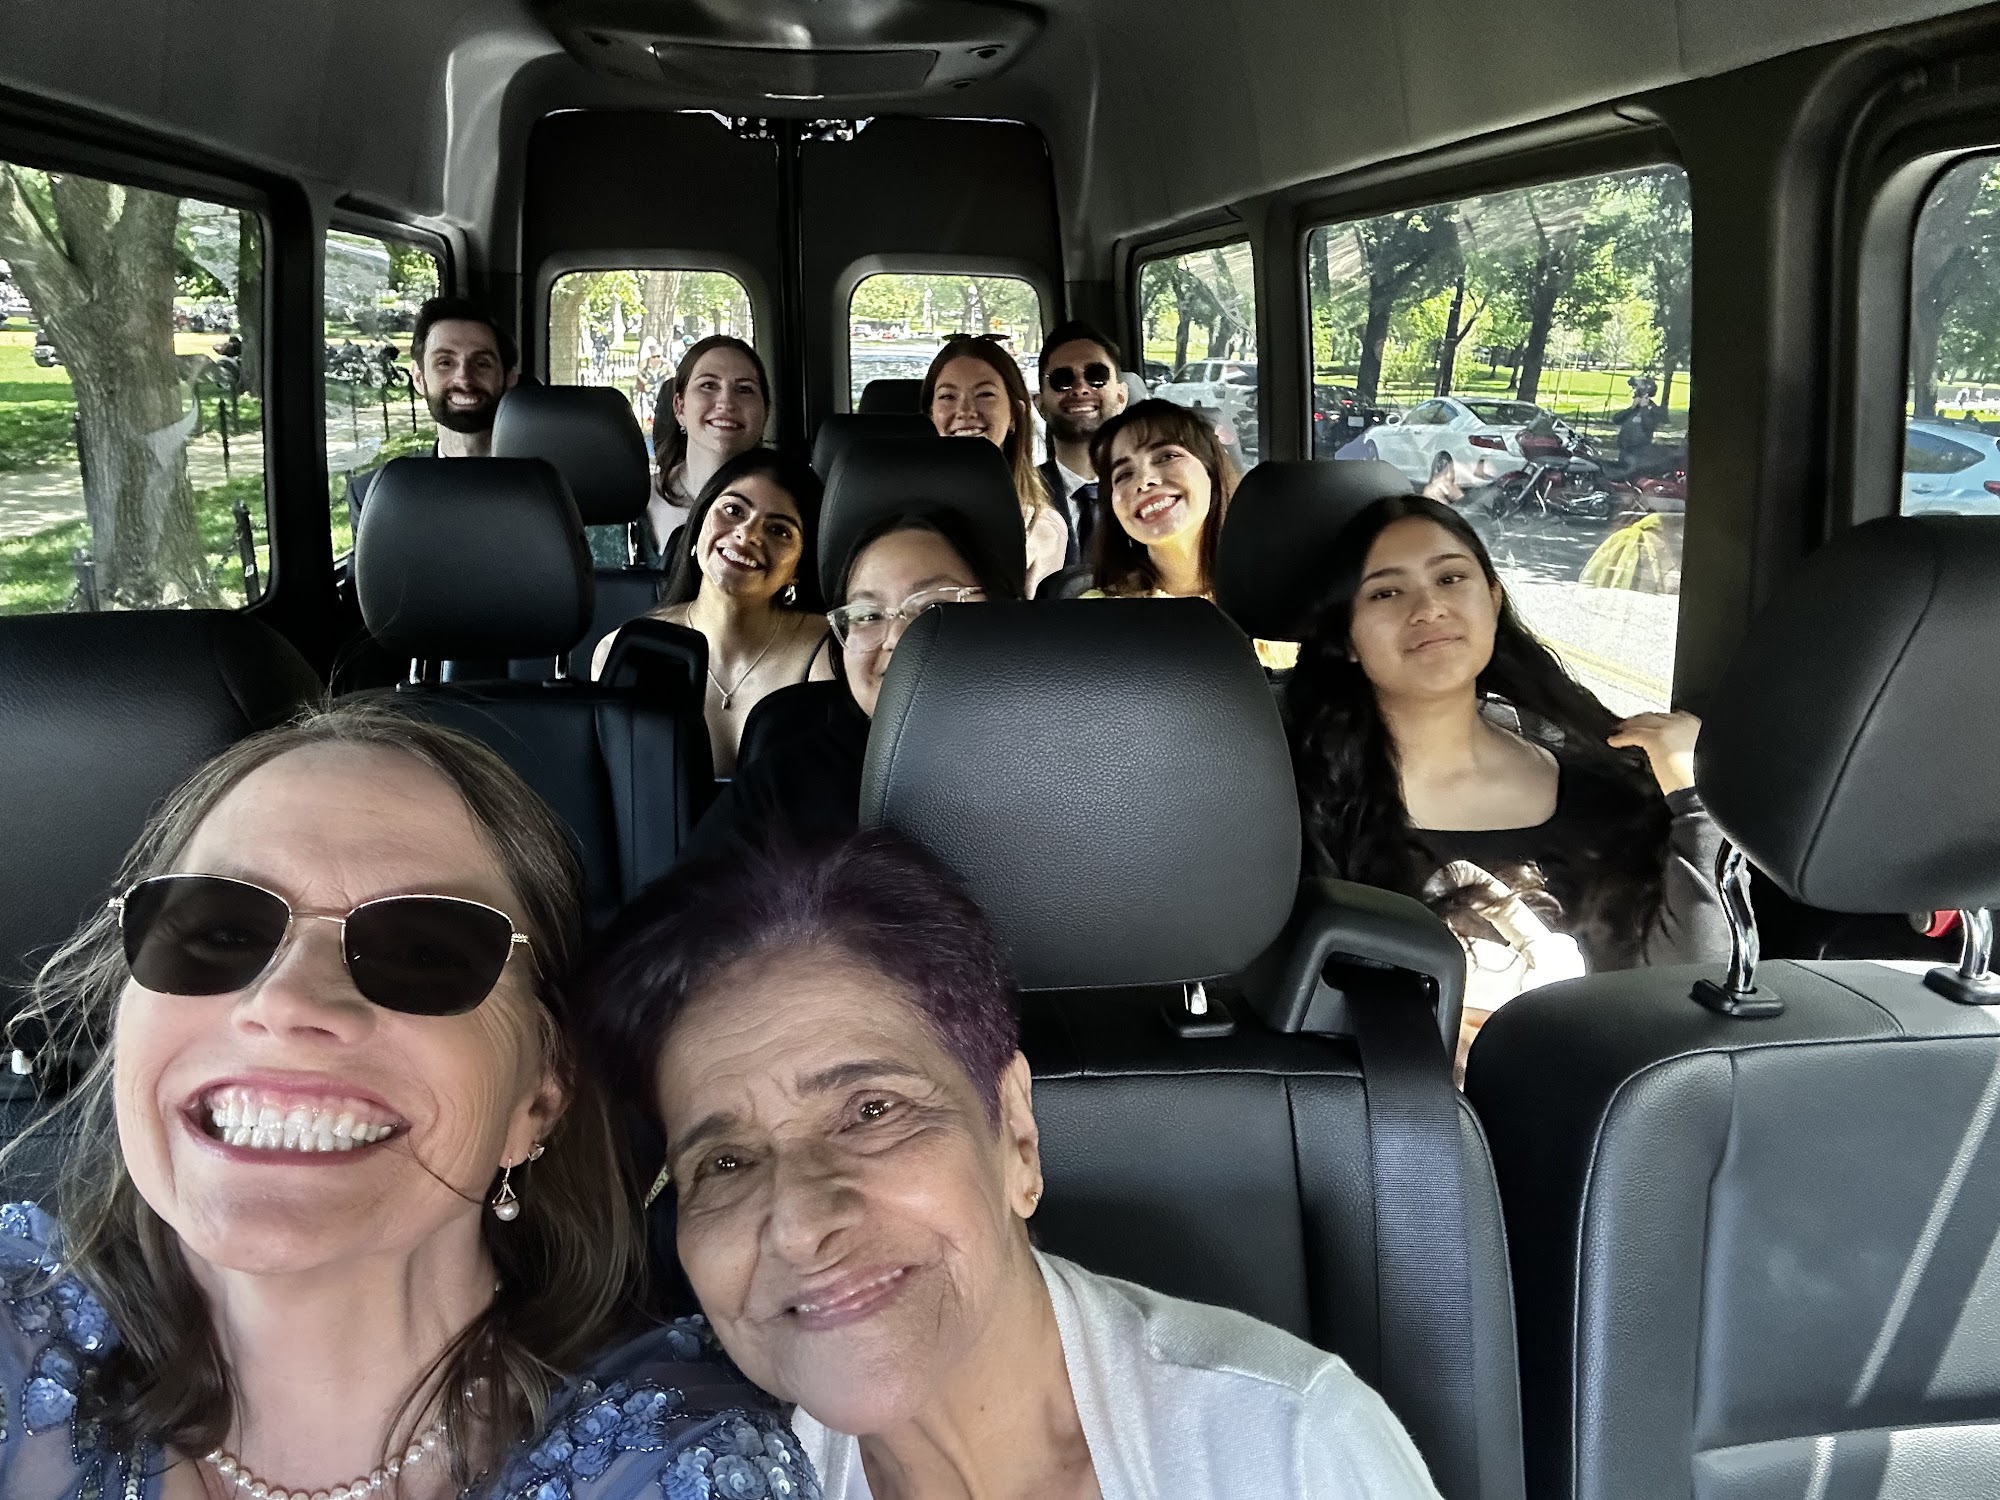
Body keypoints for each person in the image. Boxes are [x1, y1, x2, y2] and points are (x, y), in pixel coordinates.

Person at [0, 703, 814, 1500]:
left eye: (424, 952)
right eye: (221, 931)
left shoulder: (679, 1465)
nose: (286, 1002)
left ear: (540, 1093)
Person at [580, 831, 1443, 1500]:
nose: (800, 1226)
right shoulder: (674, 1469)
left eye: (872, 1111)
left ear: (1017, 1136)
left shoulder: (1286, 1452)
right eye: (726, 1161)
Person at [1285, 494, 1727, 1053]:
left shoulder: (1610, 792)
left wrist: (1693, 800)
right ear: (1346, 636)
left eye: (1450, 579)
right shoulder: (1297, 807)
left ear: (1493, 600)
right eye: (1386, 592)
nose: (1429, 607)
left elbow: (1686, 992)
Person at [678, 507, 1023, 862]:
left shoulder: (1055, 761)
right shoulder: (783, 789)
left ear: (1005, 615)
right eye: (867, 615)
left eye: (934, 607)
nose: (897, 638)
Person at [592, 449, 834, 776]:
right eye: (733, 510)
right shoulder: (625, 653)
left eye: (779, 530)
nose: (747, 534)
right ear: (699, 525)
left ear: (798, 569)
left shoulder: (830, 653)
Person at [345, 296, 519, 532]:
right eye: (445, 363)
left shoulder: (554, 486)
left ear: (509, 378)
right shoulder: (374, 497)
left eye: (482, 364)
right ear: (419, 378)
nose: (464, 379)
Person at [922, 336, 1068, 595]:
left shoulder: (1040, 527)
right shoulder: (893, 512)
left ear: (1014, 414)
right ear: (930, 414)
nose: (965, 410)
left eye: (985, 394)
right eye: (947, 396)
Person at [1087, 397, 1235, 600]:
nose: (1144, 481)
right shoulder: (1097, 612)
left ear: (1211, 470)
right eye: (1124, 475)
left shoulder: (1276, 597)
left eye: (1167, 457)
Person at [645, 335, 771, 562]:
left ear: (766, 412)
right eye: (708, 385)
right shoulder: (638, 502)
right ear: (679, 408)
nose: (726, 403)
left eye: (744, 389)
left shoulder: (792, 507)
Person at [1034, 320, 1129, 567]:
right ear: (1040, 404)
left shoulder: (1150, 489)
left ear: (1121, 396)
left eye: (1097, 376)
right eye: (1062, 379)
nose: (1080, 388)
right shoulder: (1019, 494)